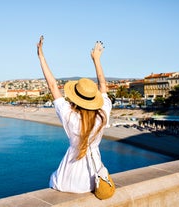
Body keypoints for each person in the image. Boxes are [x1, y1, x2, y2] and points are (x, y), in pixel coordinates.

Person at [37, 36, 112, 193]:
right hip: (93, 181)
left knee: (53, 179)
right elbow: (103, 84)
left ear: (75, 98)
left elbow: (52, 85)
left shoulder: (70, 117)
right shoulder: (103, 114)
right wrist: (96, 59)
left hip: (67, 181)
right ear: (94, 98)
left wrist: (41, 56)